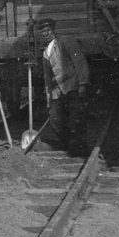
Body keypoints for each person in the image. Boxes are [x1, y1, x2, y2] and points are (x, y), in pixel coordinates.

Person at [38, 18, 90, 154]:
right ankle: (69, 145)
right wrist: (49, 99)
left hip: (72, 86)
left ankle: (80, 147)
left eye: (48, 30)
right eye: (43, 32)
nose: (46, 34)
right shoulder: (45, 53)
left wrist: (82, 84)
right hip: (57, 91)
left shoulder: (66, 41)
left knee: (76, 119)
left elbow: (79, 62)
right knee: (55, 120)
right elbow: (47, 78)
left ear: (53, 30)